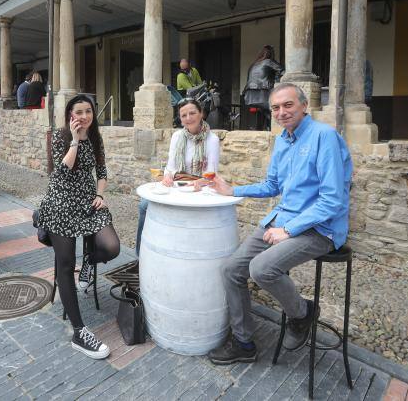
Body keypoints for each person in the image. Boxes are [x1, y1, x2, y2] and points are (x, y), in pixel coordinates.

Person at [207, 82, 352, 365]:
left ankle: (302, 313)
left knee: (261, 268)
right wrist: (232, 190)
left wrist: (288, 230)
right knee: (230, 269)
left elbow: (332, 200)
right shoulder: (284, 140)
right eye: (275, 107)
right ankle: (243, 342)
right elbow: (272, 185)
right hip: (282, 220)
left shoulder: (325, 137)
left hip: (320, 228)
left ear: (303, 106)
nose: (281, 112)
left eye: (288, 105)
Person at [35, 94, 120, 359]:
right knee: (65, 263)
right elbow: (61, 172)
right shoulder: (61, 136)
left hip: (87, 203)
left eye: (88, 111)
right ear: (70, 114)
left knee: (111, 247)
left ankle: (89, 265)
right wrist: (74, 140)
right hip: (61, 202)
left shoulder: (96, 137)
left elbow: (102, 171)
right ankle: (79, 331)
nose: (83, 116)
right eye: (78, 112)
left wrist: (100, 194)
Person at [135, 98, 220, 255]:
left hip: (200, 186)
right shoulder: (177, 137)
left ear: (201, 114)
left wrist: (199, 183)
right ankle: (141, 254)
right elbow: (171, 166)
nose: (188, 118)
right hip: (177, 182)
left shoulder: (212, 140)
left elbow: (211, 174)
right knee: (144, 204)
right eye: (183, 115)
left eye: (192, 113)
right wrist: (167, 176)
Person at [242, 45, 283, 130]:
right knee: (273, 109)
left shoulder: (253, 64)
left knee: (264, 111)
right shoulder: (268, 62)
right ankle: (271, 128)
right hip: (262, 93)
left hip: (249, 96)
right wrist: (277, 79)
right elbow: (282, 71)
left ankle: (260, 128)